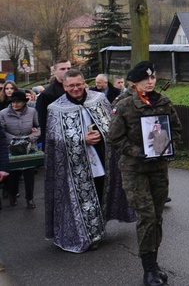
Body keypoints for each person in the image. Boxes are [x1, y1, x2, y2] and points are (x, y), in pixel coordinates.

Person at [45, 69, 135, 253]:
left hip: (100, 158)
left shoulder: (98, 100)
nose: (75, 89)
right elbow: (54, 139)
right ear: (64, 86)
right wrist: (81, 139)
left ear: (84, 83)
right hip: (74, 166)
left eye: (79, 84)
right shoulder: (55, 108)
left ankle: (98, 229)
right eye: (71, 86)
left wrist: (101, 135)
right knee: (82, 199)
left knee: (100, 191)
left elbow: (111, 125)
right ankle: (88, 235)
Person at [110, 61, 182, 286]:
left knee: (157, 218)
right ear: (134, 83)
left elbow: (176, 129)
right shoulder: (125, 106)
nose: (150, 82)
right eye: (145, 79)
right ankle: (148, 270)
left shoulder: (164, 102)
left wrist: (170, 146)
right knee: (147, 217)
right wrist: (136, 151)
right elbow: (114, 138)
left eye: (153, 78)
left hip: (158, 169)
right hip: (135, 170)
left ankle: (154, 262)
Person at [0, 90, 40, 209]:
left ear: (24, 102)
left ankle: (30, 198)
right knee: (13, 174)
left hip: (29, 147)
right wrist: (15, 139)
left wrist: (32, 137)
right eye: (13, 102)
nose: (15, 104)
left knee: (29, 174)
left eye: (18, 102)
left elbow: (38, 127)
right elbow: (1, 132)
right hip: (11, 147)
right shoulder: (2, 113)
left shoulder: (32, 111)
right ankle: (12, 195)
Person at [35, 58, 72, 149]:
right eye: (62, 69)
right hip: (58, 139)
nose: (66, 71)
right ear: (54, 71)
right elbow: (44, 122)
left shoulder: (77, 90)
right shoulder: (47, 94)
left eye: (69, 68)